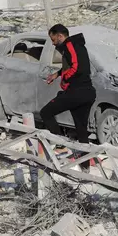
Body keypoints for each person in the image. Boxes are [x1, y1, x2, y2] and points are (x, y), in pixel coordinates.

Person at [40, 24, 96, 168]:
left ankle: (61, 146)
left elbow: (76, 67)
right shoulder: (75, 46)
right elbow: (71, 64)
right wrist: (57, 74)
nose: (52, 43)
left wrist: (64, 78)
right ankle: (85, 167)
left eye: (53, 40)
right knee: (81, 130)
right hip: (87, 92)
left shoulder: (70, 44)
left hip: (77, 92)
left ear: (60, 36)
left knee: (46, 112)